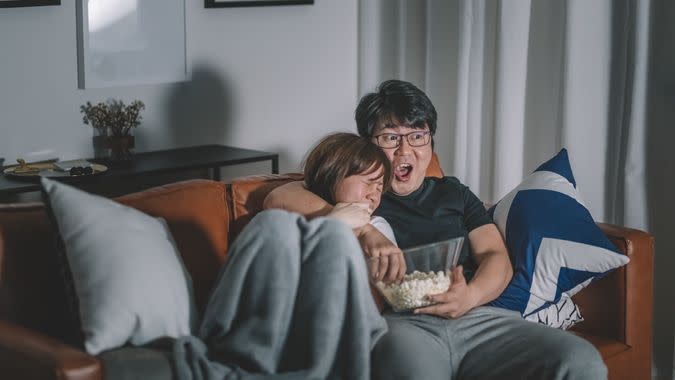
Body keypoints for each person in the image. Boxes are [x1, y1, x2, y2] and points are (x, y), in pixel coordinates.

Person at [264, 79, 608, 379]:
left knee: (580, 360)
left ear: (430, 141)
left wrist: (470, 296)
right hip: (402, 325)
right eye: (389, 137)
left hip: (479, 318)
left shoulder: (453, 192)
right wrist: (364, 228)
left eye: (417, 135)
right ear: (368, 143)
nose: (405, 150)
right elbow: (280, 195)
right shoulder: (359, 191)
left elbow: (495, 257)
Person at [170, 132, 399, 380]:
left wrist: (342, 228)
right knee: (272, 224)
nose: (374, 194)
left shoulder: (378, 228)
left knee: (335, 238)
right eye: (368, 181)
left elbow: (371, 303)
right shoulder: (286, 213)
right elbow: (278, 202)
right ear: (335, 173)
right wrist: (334, 219)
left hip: (319, 331)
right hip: (261, 324)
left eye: (380, 186)